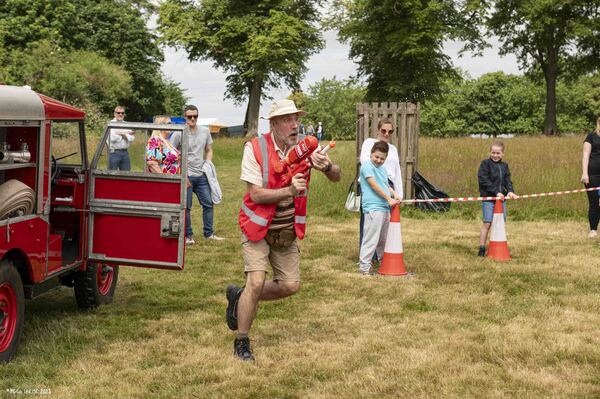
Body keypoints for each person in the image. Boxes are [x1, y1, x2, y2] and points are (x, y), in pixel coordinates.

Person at [225, 99, 341, 361]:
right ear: (274, 123)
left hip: (286, 229)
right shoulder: (254, 148)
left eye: (296, 119)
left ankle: (241, 296)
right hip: (256, 225)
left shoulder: (305, 147)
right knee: (256, 281)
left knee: (290, 285)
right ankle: (242, 342)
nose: (294, 124)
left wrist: (327, 167)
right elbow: (254, 194)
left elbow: (337, 177)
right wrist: (289, 190)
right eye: (288, 120)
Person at [170, 105, 224, 245]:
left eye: (195, 116)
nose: (193, 119)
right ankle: (188, 236)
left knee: (208, 204)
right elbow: (171, 154)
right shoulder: (178, 133)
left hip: (201, 175)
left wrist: (208, 163)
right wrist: (182, 174)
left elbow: (209, 149)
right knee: (186, 207)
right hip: (186, 176)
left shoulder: (205, 131)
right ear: (185, 117)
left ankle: (209, 234)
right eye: (189, 116)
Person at [359, 118, 403, 246]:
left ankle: (383, 256)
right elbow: (365, 162)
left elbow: (397, 171)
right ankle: (368, 257)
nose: (386, 134)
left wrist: (398, 192)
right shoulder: (369, 143)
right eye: (384, 130)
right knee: (370, 221)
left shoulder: (393, 149)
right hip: (372, 182)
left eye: (390, 131)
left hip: (389, 185)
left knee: (385, 223)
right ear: (378, 130)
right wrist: (379, 180)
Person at [358, 141, 400, 275]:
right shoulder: (366, 166)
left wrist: (394, 194)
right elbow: (374, 185)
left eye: (382, 158)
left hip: (384, 208)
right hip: (373, 208)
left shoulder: (382, 169)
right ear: (371, 154)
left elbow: (384, 184)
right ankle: (364, 267)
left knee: (383, 240)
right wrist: (388, 199)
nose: (379, 160)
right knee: (371, 238)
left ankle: (384, 263)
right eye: (376, 157)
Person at [477, 141, 517, 257]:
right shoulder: (485, 164)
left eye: (498, 153)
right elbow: (484, 181)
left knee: (499, 224)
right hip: (489, 199)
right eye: (493, 152)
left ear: (503, 154)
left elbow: (507, 181)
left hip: (501, 201)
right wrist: (496, 192)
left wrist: (510, 191)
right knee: (487, 223)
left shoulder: (504, 166)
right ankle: (482, 248)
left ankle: (497, 248)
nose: (495, 155)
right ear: (490, 152)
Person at [581, 117, 600, 238]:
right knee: (594, 203)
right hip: (592, 175)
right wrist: (584, 173)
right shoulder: (591, 137)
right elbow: (585, 155)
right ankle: (593, 229)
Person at [108, 106, 135, 171]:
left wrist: (120, 133)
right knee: (112, 174)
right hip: (114, 153)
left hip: (125, 153)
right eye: (118, 113)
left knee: (126, 174)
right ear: (114, 113)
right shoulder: (110, 124)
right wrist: (126, 133)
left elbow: (131, 138)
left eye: (122, 113)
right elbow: (112, 138)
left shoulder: (127, 124)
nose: (120, 114)